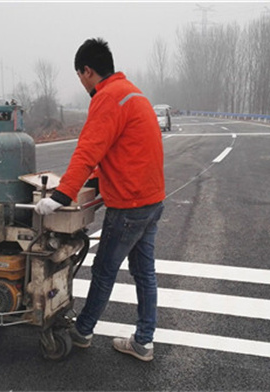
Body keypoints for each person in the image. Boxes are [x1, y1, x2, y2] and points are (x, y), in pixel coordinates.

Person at [33, 38, 165, 362]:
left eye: (81, 77)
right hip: (152, 201)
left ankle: (82, 331)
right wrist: (94, 181)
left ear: (88, 71)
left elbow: (88, 149)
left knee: (104, 270)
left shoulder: (108, 98)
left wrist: (62, 195)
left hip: (130, 207)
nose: (82, 84)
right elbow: (122, 151)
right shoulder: (133, 94)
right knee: (144, 272)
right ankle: (144, 342)